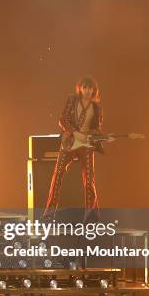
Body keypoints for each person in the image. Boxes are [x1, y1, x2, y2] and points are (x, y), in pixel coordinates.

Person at [43, 76, 107, 222]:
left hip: (86, 145)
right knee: (58, 174)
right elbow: (62, 119)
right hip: (70, 143)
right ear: (80, 88)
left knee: (89, 180)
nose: (87, 91)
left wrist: (96, 136)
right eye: (85, 87)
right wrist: (75, 132)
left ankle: (91, 217)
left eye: (90, 88)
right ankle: (49, 214)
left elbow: (97, 128)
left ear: (94, 90)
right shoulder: (72, 101)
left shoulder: (97, 108)